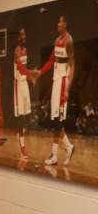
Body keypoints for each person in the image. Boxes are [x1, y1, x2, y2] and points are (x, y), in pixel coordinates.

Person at [34, 15, 75, 166]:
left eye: (60, 21)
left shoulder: (69, 41)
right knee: (55, 120)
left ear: (66, 24)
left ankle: (58, 153)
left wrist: (68, 88)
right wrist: (39, 72)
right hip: (56, 82)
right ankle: (66, 149)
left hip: (63, 82)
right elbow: (51, 60)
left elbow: (72, 66)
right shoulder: (57, 40)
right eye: (57, 20)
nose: (58, 23)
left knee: (56, 121)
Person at [13, 28, 36, 160]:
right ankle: (22, 148)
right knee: (21, 117)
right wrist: (31, 74)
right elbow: (21, 69)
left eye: (25, 34)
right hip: (18, 85)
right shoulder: (16, 51)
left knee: (28, 114)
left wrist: (30, 78)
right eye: (22, 35)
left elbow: (24, 70)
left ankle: (19, 133)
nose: (24, 36)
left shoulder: (25, 50)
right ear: (18, 38)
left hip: (24, 83)